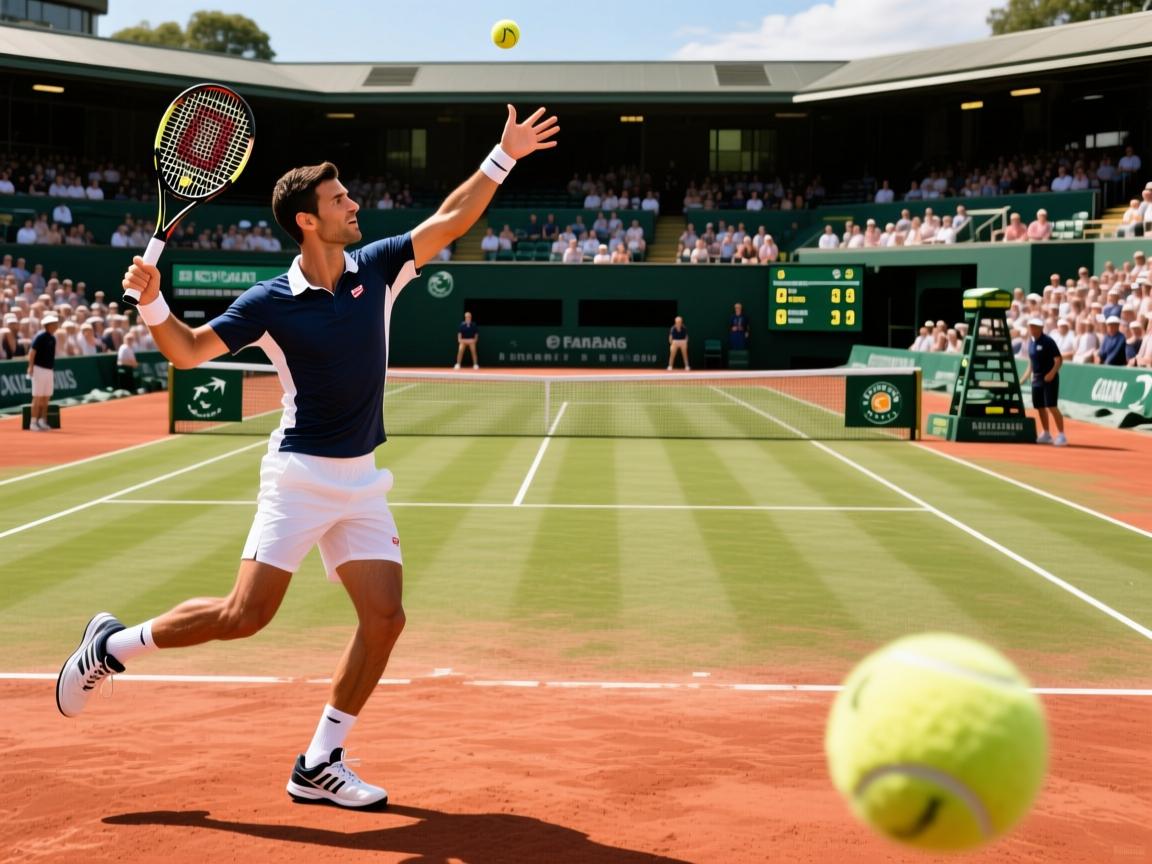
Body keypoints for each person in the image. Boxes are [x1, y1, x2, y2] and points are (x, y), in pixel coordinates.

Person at [55, 104, 560, 810]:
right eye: (339, 199)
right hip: (299, 477)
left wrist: (502, 158)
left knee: (385, 619)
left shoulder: (378, 267)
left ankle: (319, 761)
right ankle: (112, 647)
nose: (354, 205)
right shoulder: (269, 303)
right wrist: (153, 305)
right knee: (245, 615)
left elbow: (450, 220)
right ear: (307, 220)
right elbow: (189, 352)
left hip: (362, 480)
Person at [1024, 317, 1067, 446]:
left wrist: (1051, 374)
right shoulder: (1030, 342)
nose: (1032, 329)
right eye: (1030, 326)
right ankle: (1046, 434)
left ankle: (1061, 435)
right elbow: (1031, 363)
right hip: (1036, 379)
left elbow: (1058, 360)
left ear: (1041, 328)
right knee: (1040, 407)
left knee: (1052, 406)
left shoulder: (1048, 341)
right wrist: (1024, 378)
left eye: (1034, 327)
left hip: (1049, 379)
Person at [26, 312, 59, 430]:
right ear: (48, 325)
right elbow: (32, 353)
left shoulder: (53, 338)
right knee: (37, 397)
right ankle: (33, 422)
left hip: (49, 370)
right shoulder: (40, 337)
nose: (56, 325)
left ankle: (42, 420)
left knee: (46, 397)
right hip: (38, 369)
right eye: (54, 323)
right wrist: (30, 367)